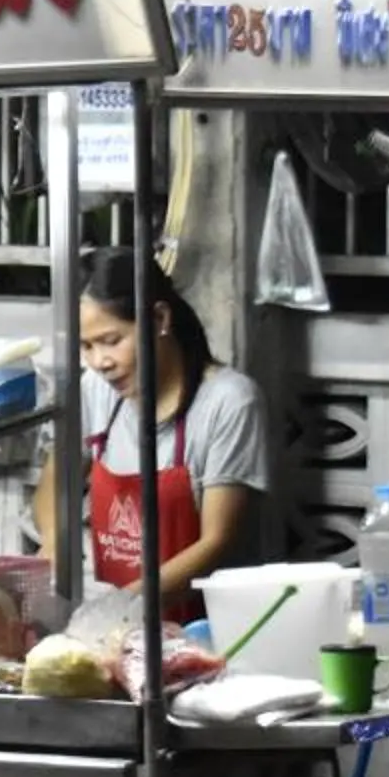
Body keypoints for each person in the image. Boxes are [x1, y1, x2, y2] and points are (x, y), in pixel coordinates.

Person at [32, 247, 267, 621]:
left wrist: (120, 607)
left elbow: (218, 541)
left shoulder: (229, 401)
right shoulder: (94, 390)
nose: (100, 362)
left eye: (111, 340)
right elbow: (54, 484)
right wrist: (54, 540)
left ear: (159, 318)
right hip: (119, 625)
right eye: (86, 346)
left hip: (207, 624)